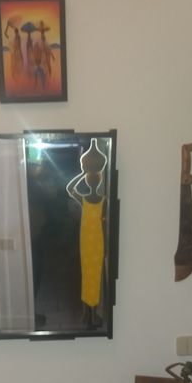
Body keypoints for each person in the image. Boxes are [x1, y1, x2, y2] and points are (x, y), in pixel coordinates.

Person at [66, 139, 108, 328]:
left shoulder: (85, 199)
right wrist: (87, 173)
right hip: (96, 241)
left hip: (88, 242)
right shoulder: (103, 200)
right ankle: (91, 314)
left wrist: (83, 174)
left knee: (88, 276)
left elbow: (69, 188)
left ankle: (90, 314)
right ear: (99, 180)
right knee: (94, 277)